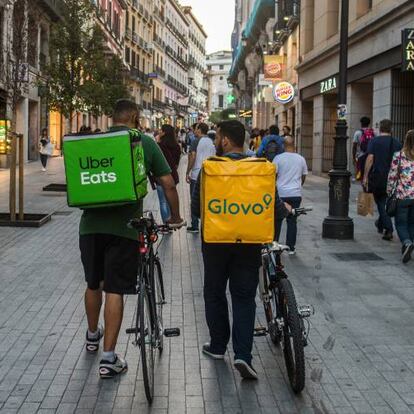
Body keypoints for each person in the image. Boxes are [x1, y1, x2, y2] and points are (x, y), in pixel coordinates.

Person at [79, 99, 184, 379]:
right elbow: (168, 183)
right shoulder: (144, 143)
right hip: (125, 229)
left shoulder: (96, 141)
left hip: (89, 226)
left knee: (93, 283)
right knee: (114, 288)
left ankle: (92, 336)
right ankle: (109, 358)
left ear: (112, 118)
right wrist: (175, 216)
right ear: (136, 118)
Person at [191, 120, 290, 380]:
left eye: (217, 138)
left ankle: (217, 346)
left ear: (224, 140)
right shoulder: (260, 169)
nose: (215, 142)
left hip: (214, 242)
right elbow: (274, 206)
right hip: (248, 242)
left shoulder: (209, 169)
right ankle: (243, 355)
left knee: (214, 292)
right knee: (245, 297)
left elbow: (195, 208)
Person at [363, 119, 402, 241]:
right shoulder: (397, 143)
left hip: (378, 177)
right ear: (391, 129)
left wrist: (365, 176)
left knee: (380, 202)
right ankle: (380, 223)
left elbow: (370, 159)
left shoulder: (374, 141)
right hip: (394, 178)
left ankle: (389, 229)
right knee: (386, 202)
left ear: (380, 128)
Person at [274, 136, 308, 254]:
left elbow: (274, 175)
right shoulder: (301, 159)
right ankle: (291, 248)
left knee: (277, 221)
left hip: (281, 193)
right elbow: (304, 176)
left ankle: (275, 244)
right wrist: (299, 186)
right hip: (295, 194)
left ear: (283, 145)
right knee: (292, 221)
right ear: (295, 145)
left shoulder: (278, 158)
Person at [387, 130, 414, 263]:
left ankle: (407, 242)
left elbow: (392, 176)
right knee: (412, 223)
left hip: (402, 196)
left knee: (401, 223)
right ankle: (408, 246)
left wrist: (389, 191)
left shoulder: (399, 156)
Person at [186, 123, 216, 233]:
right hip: (209, 173)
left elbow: (192, 156)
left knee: (194, 199)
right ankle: (206, 224)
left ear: (199, 130)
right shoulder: (211, 142)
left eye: (196, 128)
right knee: (206, 199)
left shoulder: (195, 141)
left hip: (196, 174)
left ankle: (195, 225)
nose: (194, 130)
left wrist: (187, 171)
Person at [156, 124, 181, 227]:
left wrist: (157, 141)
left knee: (163, 201)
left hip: (160, 176)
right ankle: (172, 219)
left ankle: (166, 224)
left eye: (160, 130)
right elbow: (176, 163)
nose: (159, 131)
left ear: (164, 132)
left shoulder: (159, 146)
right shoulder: (176, 146)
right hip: (172, 176)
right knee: (170, 199)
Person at [353, 117, 375, 181]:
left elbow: (354, 146)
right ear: (369, 123)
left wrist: (354, 157)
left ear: (361, 123)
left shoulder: (357, 133)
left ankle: (364, 186)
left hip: (360, 156)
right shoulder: (373, 132)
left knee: (361, 173)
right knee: (369, 173)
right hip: (371, 156)